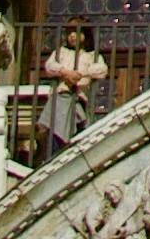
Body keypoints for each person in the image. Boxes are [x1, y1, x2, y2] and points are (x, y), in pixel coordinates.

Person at [42, 24, 109, 153]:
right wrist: (65, 72)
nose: (72, 36)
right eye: (70, 33)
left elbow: (101, 70)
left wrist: (80, 74)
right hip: (61, 96)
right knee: (57, 132)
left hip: (79, 99)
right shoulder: (62, 52)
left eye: (76, 32)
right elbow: (50, 66)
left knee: (77, 131)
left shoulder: (91, 56)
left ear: (85, 35)